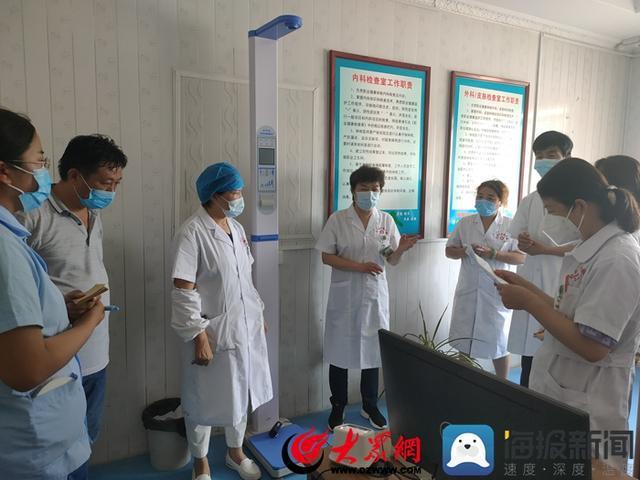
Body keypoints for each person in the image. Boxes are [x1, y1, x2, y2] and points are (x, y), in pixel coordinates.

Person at [497, 158, 640, 472]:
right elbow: (574, 315)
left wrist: (529, 303)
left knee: (592, 471)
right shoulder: (591, 248)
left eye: (551, 210)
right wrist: (527, 289)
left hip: (592, 400)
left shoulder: (618, 259)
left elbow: (594, 346)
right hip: (564, 388)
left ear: (580, 206)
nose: (548, 220)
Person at [0, 108, 105, 479]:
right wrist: (91, 321)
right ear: (5, 171)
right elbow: (27, 368)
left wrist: (59, 307)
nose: (42, 171)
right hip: (36, 449)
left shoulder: (9, 240)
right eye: (38, 160)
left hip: (51, 417)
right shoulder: (7, 246)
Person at [17, 134, 126, 450]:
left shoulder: (93, 212)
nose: (111, 192)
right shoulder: (32, 215)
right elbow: (14, 292)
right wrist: (58, 307)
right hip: (55, 359)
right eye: (106, 183)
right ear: (75, 175)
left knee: (86, 441)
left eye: (117, 183)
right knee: (56, 450)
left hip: (96, 352)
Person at [171, 162, 271, 480]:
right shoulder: (191, 232)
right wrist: (198, 335)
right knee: (201, 398)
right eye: (234, 192)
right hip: (210, 331)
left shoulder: (236, 229)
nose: (239, 198)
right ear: (214, 195)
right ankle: (200, 463)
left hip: (243, 327)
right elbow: (183, 289)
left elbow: (245, 280)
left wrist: (258, 314)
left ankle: (235, 452)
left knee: (239, 391)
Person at [316, 165, 418, 432]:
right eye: (364, 188)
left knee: (372, 351)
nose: (370, 193)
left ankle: (370, 405)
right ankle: (338, 406)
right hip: (345, 296)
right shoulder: (338, 219)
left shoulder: (386, 221)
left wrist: (401, 250)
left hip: (374, 296)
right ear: (353, 190)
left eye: (375, 189)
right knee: (340, 352)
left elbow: (390, 259)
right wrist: (359, 267)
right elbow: (327, 256)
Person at [507, 131, 575, 387]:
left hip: (561, 281)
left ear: (567, 157)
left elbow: (583, 246)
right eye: (539, 156)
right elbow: (518, 235)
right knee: (529, 357)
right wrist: (525, 242)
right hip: (532, 277)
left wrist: (544, 250)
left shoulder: (578, 199)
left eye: (551, 155)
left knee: (555, 356)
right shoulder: (531, 199)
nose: (544, 161)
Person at [445, 180, 524, 378]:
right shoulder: (465, 223)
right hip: (469, 289)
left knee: (499, 343)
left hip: (496, 292)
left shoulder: (510, 225)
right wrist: (466, 250)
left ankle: (502, 385)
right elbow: (449, 251)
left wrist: (494, 253)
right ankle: (464, 383)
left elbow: (520, 257)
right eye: (480, 196)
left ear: (500, 202)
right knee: (465, 341)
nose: (483, 201)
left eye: (490, 198)